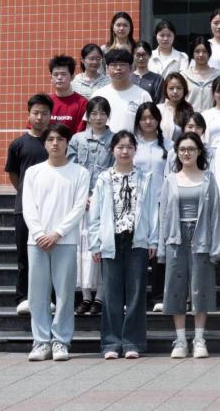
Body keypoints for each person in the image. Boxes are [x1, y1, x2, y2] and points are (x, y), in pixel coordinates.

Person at [88, 131, 158, 360]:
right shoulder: (104, 178)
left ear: (135, 149)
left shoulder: (145, 177)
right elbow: (95, 214)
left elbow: (152, 210)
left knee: (136, 294)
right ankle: (111, 343)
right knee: (111, 294)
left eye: (129, 147)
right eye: (120, 147)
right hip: (111, 239)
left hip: (137, 240)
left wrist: (153, 239)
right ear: (112, 150)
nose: (125, 151)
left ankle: (132, 342)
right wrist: (95, 243)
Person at [23, 123, 90, 362]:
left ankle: (61, 341)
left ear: (67, 143)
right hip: (37, 241)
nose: (55, 143)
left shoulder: (80, 173)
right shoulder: (33, 172)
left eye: (60, 139)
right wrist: (40, 233)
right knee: (37, 294)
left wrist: (57, 233)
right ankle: (41, 342)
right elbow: (28, 207)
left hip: (65, 241)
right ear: (44, 144)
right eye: (50, 139)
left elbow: (79, 208)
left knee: (64, 294)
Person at [157, 132, 220, 359]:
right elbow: (163, 215)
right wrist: (161, 246)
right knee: (175, 288)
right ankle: (180, 339)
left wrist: (218, 246)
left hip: (201, 237)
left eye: (191, 149)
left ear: (199, 152)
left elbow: (216, 213)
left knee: (201, 287)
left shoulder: (208, 179)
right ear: (176, 153)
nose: (186, 153)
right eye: (182, 149)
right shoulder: (170, 180)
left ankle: (199, 338)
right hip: (176, 238)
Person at [6, 94, 52, 315]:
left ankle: (49, 297)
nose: (40, 117)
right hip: (24, 209)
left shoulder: (55, 142)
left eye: (44, 113)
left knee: (51, 255)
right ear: (29, 115)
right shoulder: (18, 144)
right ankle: (23, 297)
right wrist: (27, 195)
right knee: (24, 255)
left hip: (52, 208)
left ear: (50, 116)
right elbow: (14, 175)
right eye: (36, 113)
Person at [67, 96, 113, 315]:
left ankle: (100, 297)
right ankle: (86, 296)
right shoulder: (77, 140)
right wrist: (82, 195)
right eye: (94, 113)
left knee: (101, 248)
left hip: (104, 203)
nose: (98, 117)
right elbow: (70, 170)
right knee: (82, 249)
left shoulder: (114, 139)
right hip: (81, 203)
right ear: (88, 116)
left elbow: (115, 171)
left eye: (102, 113)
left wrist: (99, 196)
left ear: (108, 115)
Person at [133, 103, 172, 312]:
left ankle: (158, 295)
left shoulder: (169, 145)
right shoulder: (132, 144)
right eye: (143, 118)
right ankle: (135, 296)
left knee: (160, 252)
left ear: (158, 120)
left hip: (161, 202)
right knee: (137, 249)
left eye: (152, 117)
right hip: (136, 204)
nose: (148, 122)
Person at [93, 49, 154, 134]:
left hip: (133, 142)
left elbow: (150, 125)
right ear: (107, 68)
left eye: (122, 64)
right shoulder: (98, 95)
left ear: (131, 68)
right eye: (114, 65)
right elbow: (90, 125)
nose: (118, 68)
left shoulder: (143, 95)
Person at [49, 55, 88, 135]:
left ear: (72, 77)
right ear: (51, 78)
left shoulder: (82, 103)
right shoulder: (46, 102)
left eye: (63, 74)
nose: (59, 77)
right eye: (55, 74)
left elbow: (81, 134)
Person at [181, 37, 220, 111]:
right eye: (197, 51)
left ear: (209, 53)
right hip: (189, 117)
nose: (201, 54)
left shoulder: (217, 76)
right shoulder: (184, 76)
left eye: (204, 51)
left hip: (211, 117)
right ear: (192, 53)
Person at [158, 73, 192, 141]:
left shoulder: (189, 110)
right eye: (171, 88)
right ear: (165, 90)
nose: (175, 91)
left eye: (179, 88)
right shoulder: (158, 109)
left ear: (184, 89)